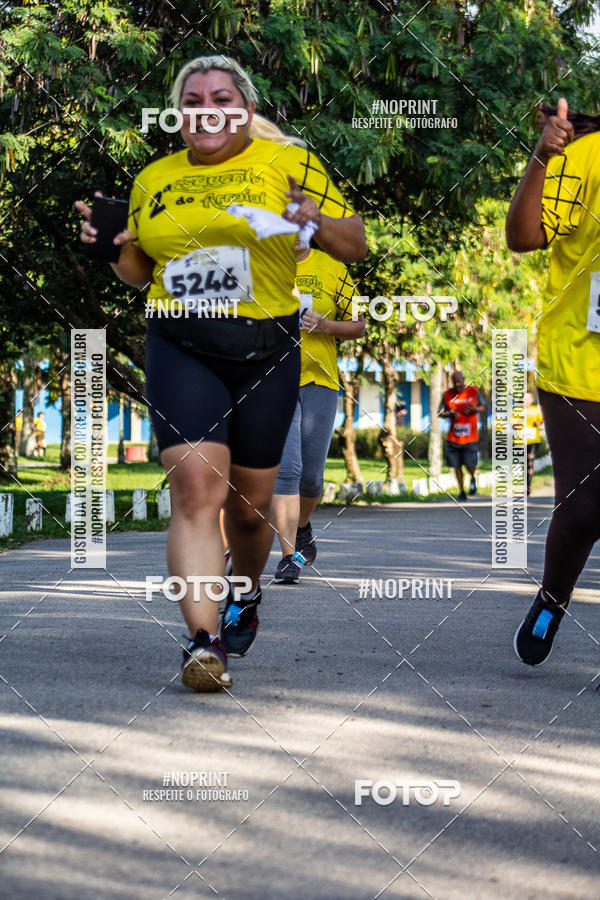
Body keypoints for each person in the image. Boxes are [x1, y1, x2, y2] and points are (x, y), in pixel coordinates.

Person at [76, 55, 366, 692]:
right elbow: (142, 271)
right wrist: (114, 247)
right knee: (196, 491)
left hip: (267, 346)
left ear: (246, 109)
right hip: (181, 340)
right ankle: (202, 643)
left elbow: (356, 244)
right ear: (179, 113)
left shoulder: (291, 164)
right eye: (194, 97)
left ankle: (246, 590)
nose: (207, 106)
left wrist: (313, 222)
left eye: (223, 97)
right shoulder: (156, 178)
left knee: (252, 506)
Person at [506, 97, 600, 666]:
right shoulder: (585, 154)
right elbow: (522, 236)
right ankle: (552, 597)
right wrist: (542, 157)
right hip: (580, 357)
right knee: (587, 506)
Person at [271, 243, 365, 583]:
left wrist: (326, 326)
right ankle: (287, 558)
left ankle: (301, 526)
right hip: (273, 379)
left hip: (320, 380)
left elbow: (359, 325)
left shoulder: (332, 268)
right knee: (288, 470)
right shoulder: (261, 261)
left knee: (311, 478)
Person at [438, 371, 486, 502]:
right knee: (456, 465)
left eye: (459, 381)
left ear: (464, 379)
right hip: (453, 437)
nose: (457, 384)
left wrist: (475, 410)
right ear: (452, 381)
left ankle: (473, 478)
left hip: (470, 437)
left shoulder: (473, 391)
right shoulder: (447, 394)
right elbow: (440, 412)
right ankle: (462, 491)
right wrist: (450, 414)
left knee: (470, 464)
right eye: (455, 381)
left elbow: (482, 406)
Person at [523, 392, 544, 496]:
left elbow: (540, 421)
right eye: (524, 398)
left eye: (528, 399)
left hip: (533, 439)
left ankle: (528, 485)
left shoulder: (536, 409)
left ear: (532, 400)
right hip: (520, 440)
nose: (526, 401)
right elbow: (513, 423)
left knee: (529, 461)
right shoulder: (517, 411)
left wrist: (537, 422)